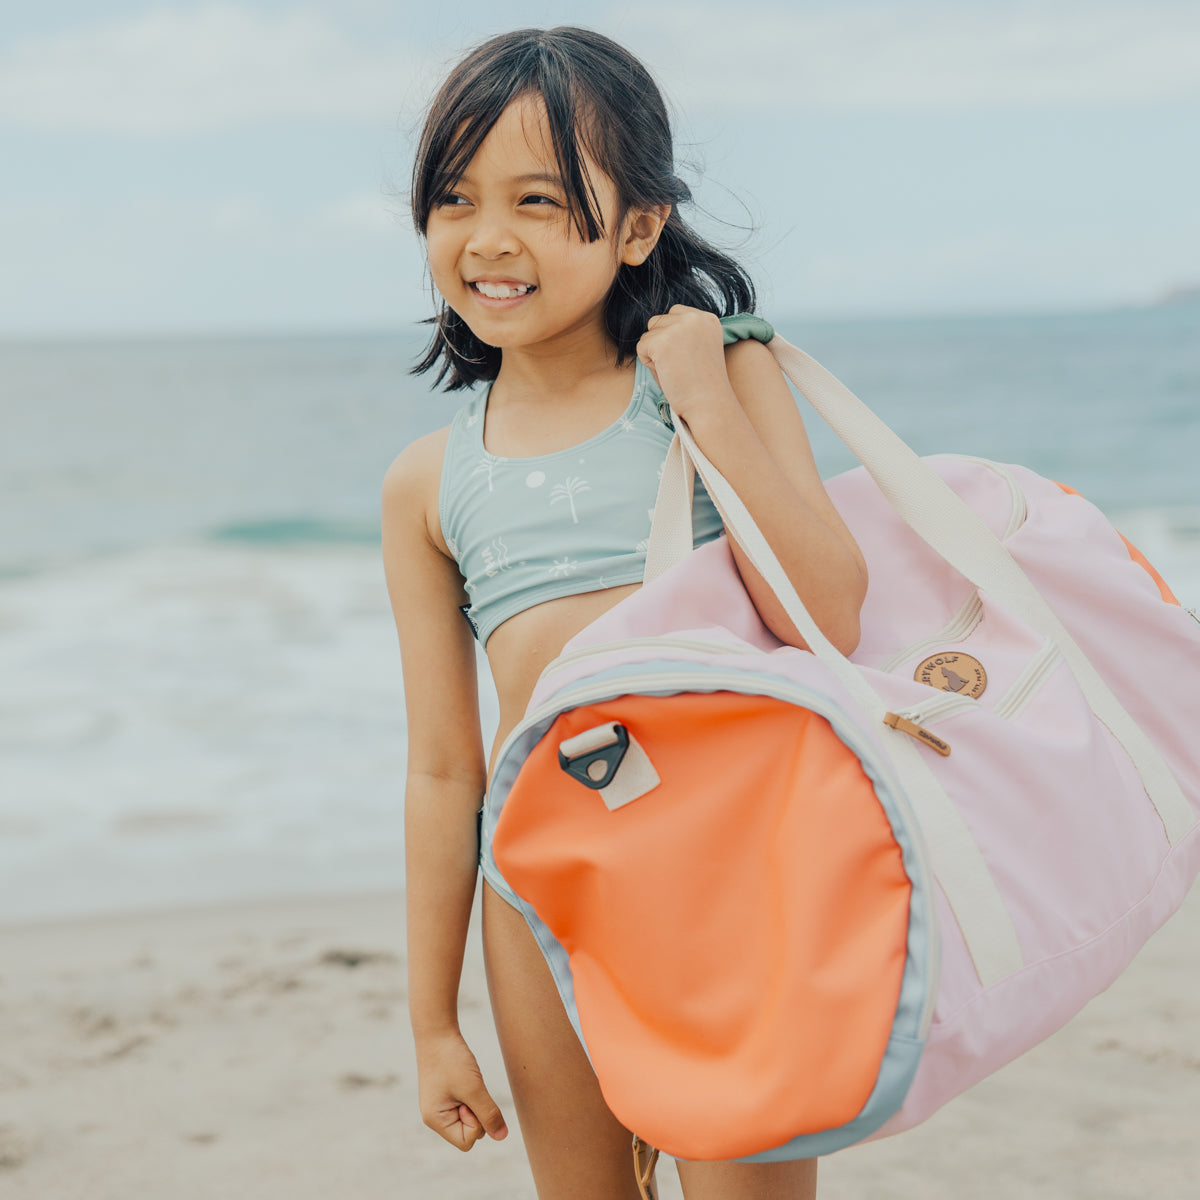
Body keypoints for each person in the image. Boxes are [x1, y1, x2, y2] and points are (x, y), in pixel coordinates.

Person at [382, 27, 868, 1200]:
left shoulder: (719, 381)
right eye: (455, 200)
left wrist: (702, 392)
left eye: (541, 202)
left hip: (727, 874)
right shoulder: (428, 482)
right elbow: (448, 771)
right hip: (536, 892)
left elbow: (828, 615)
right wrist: (432, 1019)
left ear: (638, 227)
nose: (489, 240)